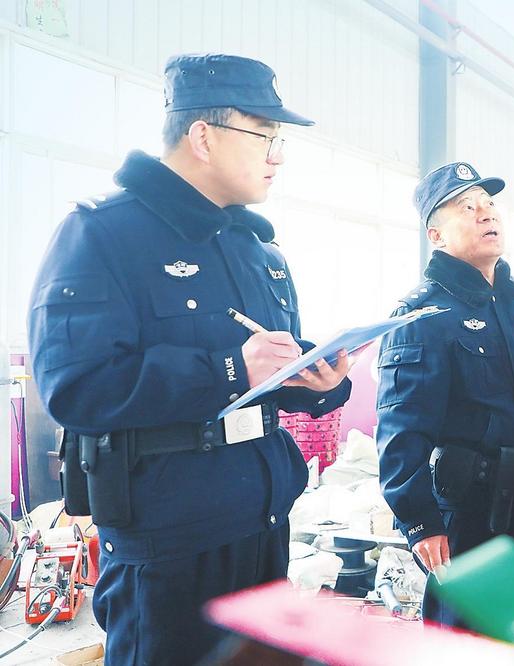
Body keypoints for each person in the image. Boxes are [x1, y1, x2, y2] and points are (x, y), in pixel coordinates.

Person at [27, 54, 353, 664]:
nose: (278, 155)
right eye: (265, 136)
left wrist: (318, 381)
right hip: (168, 547)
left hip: (263, 528)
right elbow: (76, 388)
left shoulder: (257, 251)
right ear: (203, 136)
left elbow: (268, 371)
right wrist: (228, 369)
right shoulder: (105, 234)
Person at [375, 162, 514, 628]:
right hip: (473, 522)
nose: (487, 214)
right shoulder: (421, 316)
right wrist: (420, 522)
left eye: (489, 204)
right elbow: (401, 431)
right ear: (436, 235)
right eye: (467, 207)